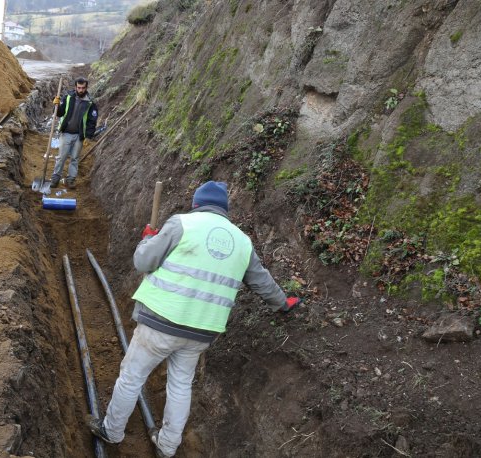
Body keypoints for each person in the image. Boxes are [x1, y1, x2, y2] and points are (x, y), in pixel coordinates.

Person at [87, 181, 301, 458]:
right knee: (180, 384)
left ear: (196, 203)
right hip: (202, 331)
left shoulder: (182, 224)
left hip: (161, 321)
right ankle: (167, 445)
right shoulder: (242, 241)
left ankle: (112, 432)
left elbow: (143, 262)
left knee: (132, 377)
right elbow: (262, 281)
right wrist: (283, 303)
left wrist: (148, 239)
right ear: (225, 209)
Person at [51, 77, 98, 188]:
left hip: (79, 135)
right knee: (61, 157)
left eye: (83, 88)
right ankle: (55, 178)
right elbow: (60, 113)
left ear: (86, 88)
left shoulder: (90, 103)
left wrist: (88, 136)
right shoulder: (68, 98)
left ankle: (70, 180)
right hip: (66, 132)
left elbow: (92, 121)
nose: (80, 90)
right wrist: (56, 106)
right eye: (79, 88)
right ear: (75, 87)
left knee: (75, 158)